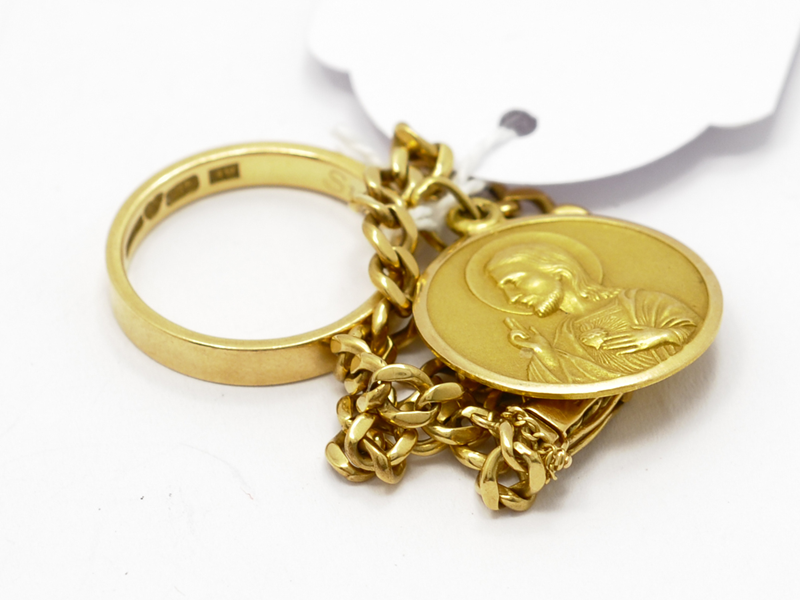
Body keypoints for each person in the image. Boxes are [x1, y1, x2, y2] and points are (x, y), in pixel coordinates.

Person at [486, 242, 701, 384]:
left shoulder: (640, 301)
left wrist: (659, 336)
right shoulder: (566, 334)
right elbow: (568, 382)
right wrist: (543, 351)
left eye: (514, 282)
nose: (512, 298)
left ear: (557, 271)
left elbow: (693, 327)